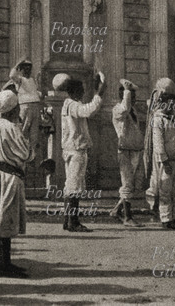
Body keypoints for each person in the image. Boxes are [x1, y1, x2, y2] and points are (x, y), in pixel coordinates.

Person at [0, 89, 33, 278]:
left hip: (0, 174)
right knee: (7, 218)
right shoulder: (12, 128)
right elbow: (26, 154)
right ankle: (3, 265)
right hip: (11, 177)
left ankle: (4, 262)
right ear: (13, 109)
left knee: (2, 218)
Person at [59, 72, 104, 232]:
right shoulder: (72, 105)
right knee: (74, 186)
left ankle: (68, 221)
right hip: (76, 149)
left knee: (70, 185)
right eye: (81, 90)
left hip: (71, 148)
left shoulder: (69, 104)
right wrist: (98, 94)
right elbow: (88, 111)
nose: (83, 93)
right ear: (75, 91)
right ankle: (73, 222)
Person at [150, 78, 175, 230]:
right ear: (163, 103)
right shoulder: (158, 119)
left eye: (173, 104)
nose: (172, 106)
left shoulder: (172, 119)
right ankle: (166, 218)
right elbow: (158, 143)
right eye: (169, 104)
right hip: (166, 161)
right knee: (165, 191)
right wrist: (164, 161)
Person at [111, 79, 144, 227]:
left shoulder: (133, 111)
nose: (134, 99)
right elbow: (125, 108)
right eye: (131, 96)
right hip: (125, 150)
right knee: (127, 183)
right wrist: (127, 92)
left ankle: (117, 210)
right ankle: (127, 217)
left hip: (135, 149)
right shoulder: (118, 109)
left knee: (134, 184)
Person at [8, 60, 41, 147]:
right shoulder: (19, 79)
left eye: (29, 69)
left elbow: (35, 91)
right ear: (21, 70)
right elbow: (12, 75)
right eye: (25, 69)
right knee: (23, 130)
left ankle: (32, 152)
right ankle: (21, 149)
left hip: (36, 106)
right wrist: (17, 64)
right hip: (26, 106)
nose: (28, 71)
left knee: (34, 134)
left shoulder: (32, 80)